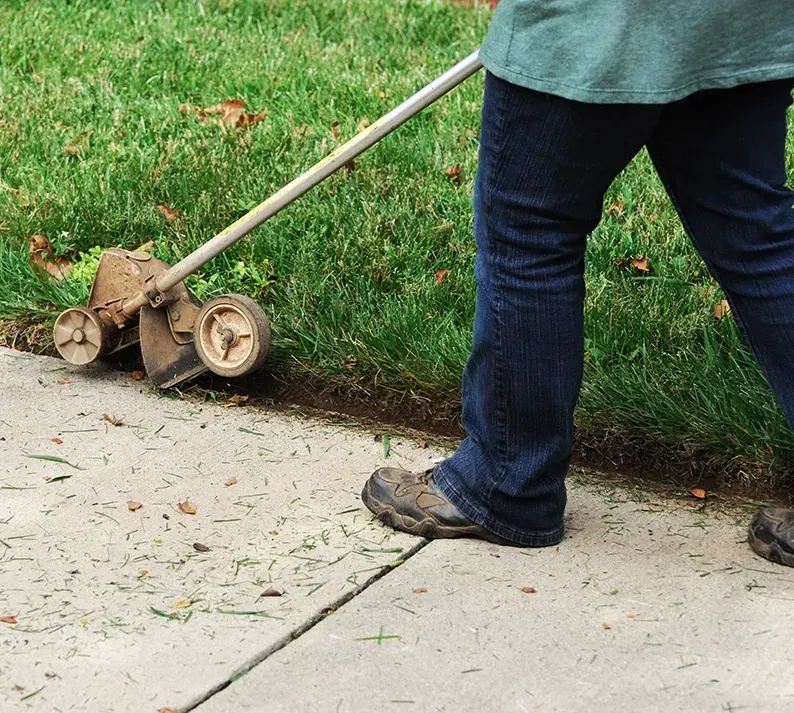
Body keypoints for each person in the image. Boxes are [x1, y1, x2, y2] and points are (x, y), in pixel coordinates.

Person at [360, 1, 794, 566]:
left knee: (530, 232)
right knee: (759, 240)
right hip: (739, 21)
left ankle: (506, 485)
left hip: (598, 25)